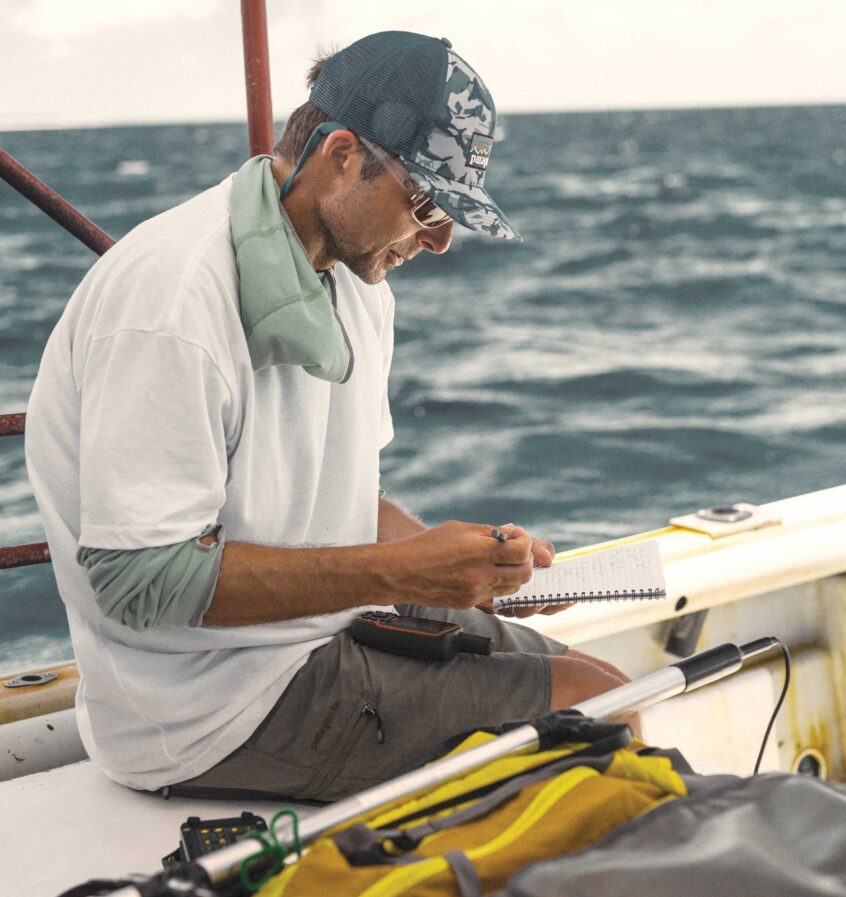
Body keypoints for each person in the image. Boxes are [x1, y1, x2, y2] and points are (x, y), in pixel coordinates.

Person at [25, 31, 631, 802]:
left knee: (608, 685)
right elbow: (138, 581)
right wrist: (403, 572)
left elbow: (339, 504)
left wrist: (474, 570)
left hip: (316, 631)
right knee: (594, 711)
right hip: (206, 710)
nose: (440, 240)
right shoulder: (170, 298)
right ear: (341, 153)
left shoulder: (358, 283)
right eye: (425, 204)